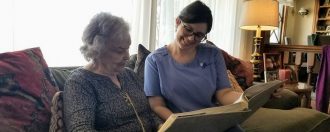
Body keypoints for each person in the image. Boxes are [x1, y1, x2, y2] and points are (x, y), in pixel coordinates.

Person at [144, 1, 245, 131]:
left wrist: (246, 98)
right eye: (188, 29)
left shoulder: (213, 54)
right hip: (181, 125)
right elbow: (156, 105)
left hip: (216, 124)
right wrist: (184, 124)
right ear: (177, 22)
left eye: (199, 35)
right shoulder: (154, 61)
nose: (191, 38)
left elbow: (224, 94)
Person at [63, 12, 161, 132]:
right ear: (98, 50)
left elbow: (149, 113)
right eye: (119, 51)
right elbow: (80, 129)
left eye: (127, 49)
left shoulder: (129, 74)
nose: (127, 56)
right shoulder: (80, 82)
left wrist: (162, 126)